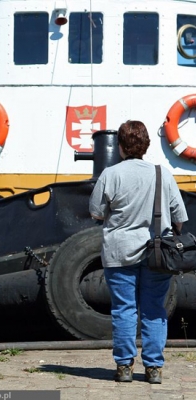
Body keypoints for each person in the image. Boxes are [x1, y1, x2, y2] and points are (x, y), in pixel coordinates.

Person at [89, 120, 188, 384]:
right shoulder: (162, 173)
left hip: (119, 252)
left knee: (124, 309)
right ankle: (154, 368)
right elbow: (179, 218)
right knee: (154, 309)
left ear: (120, 146)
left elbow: (96, 213)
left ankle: (124, 367)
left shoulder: (110, 174)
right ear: (146, 145)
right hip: (158, 253)